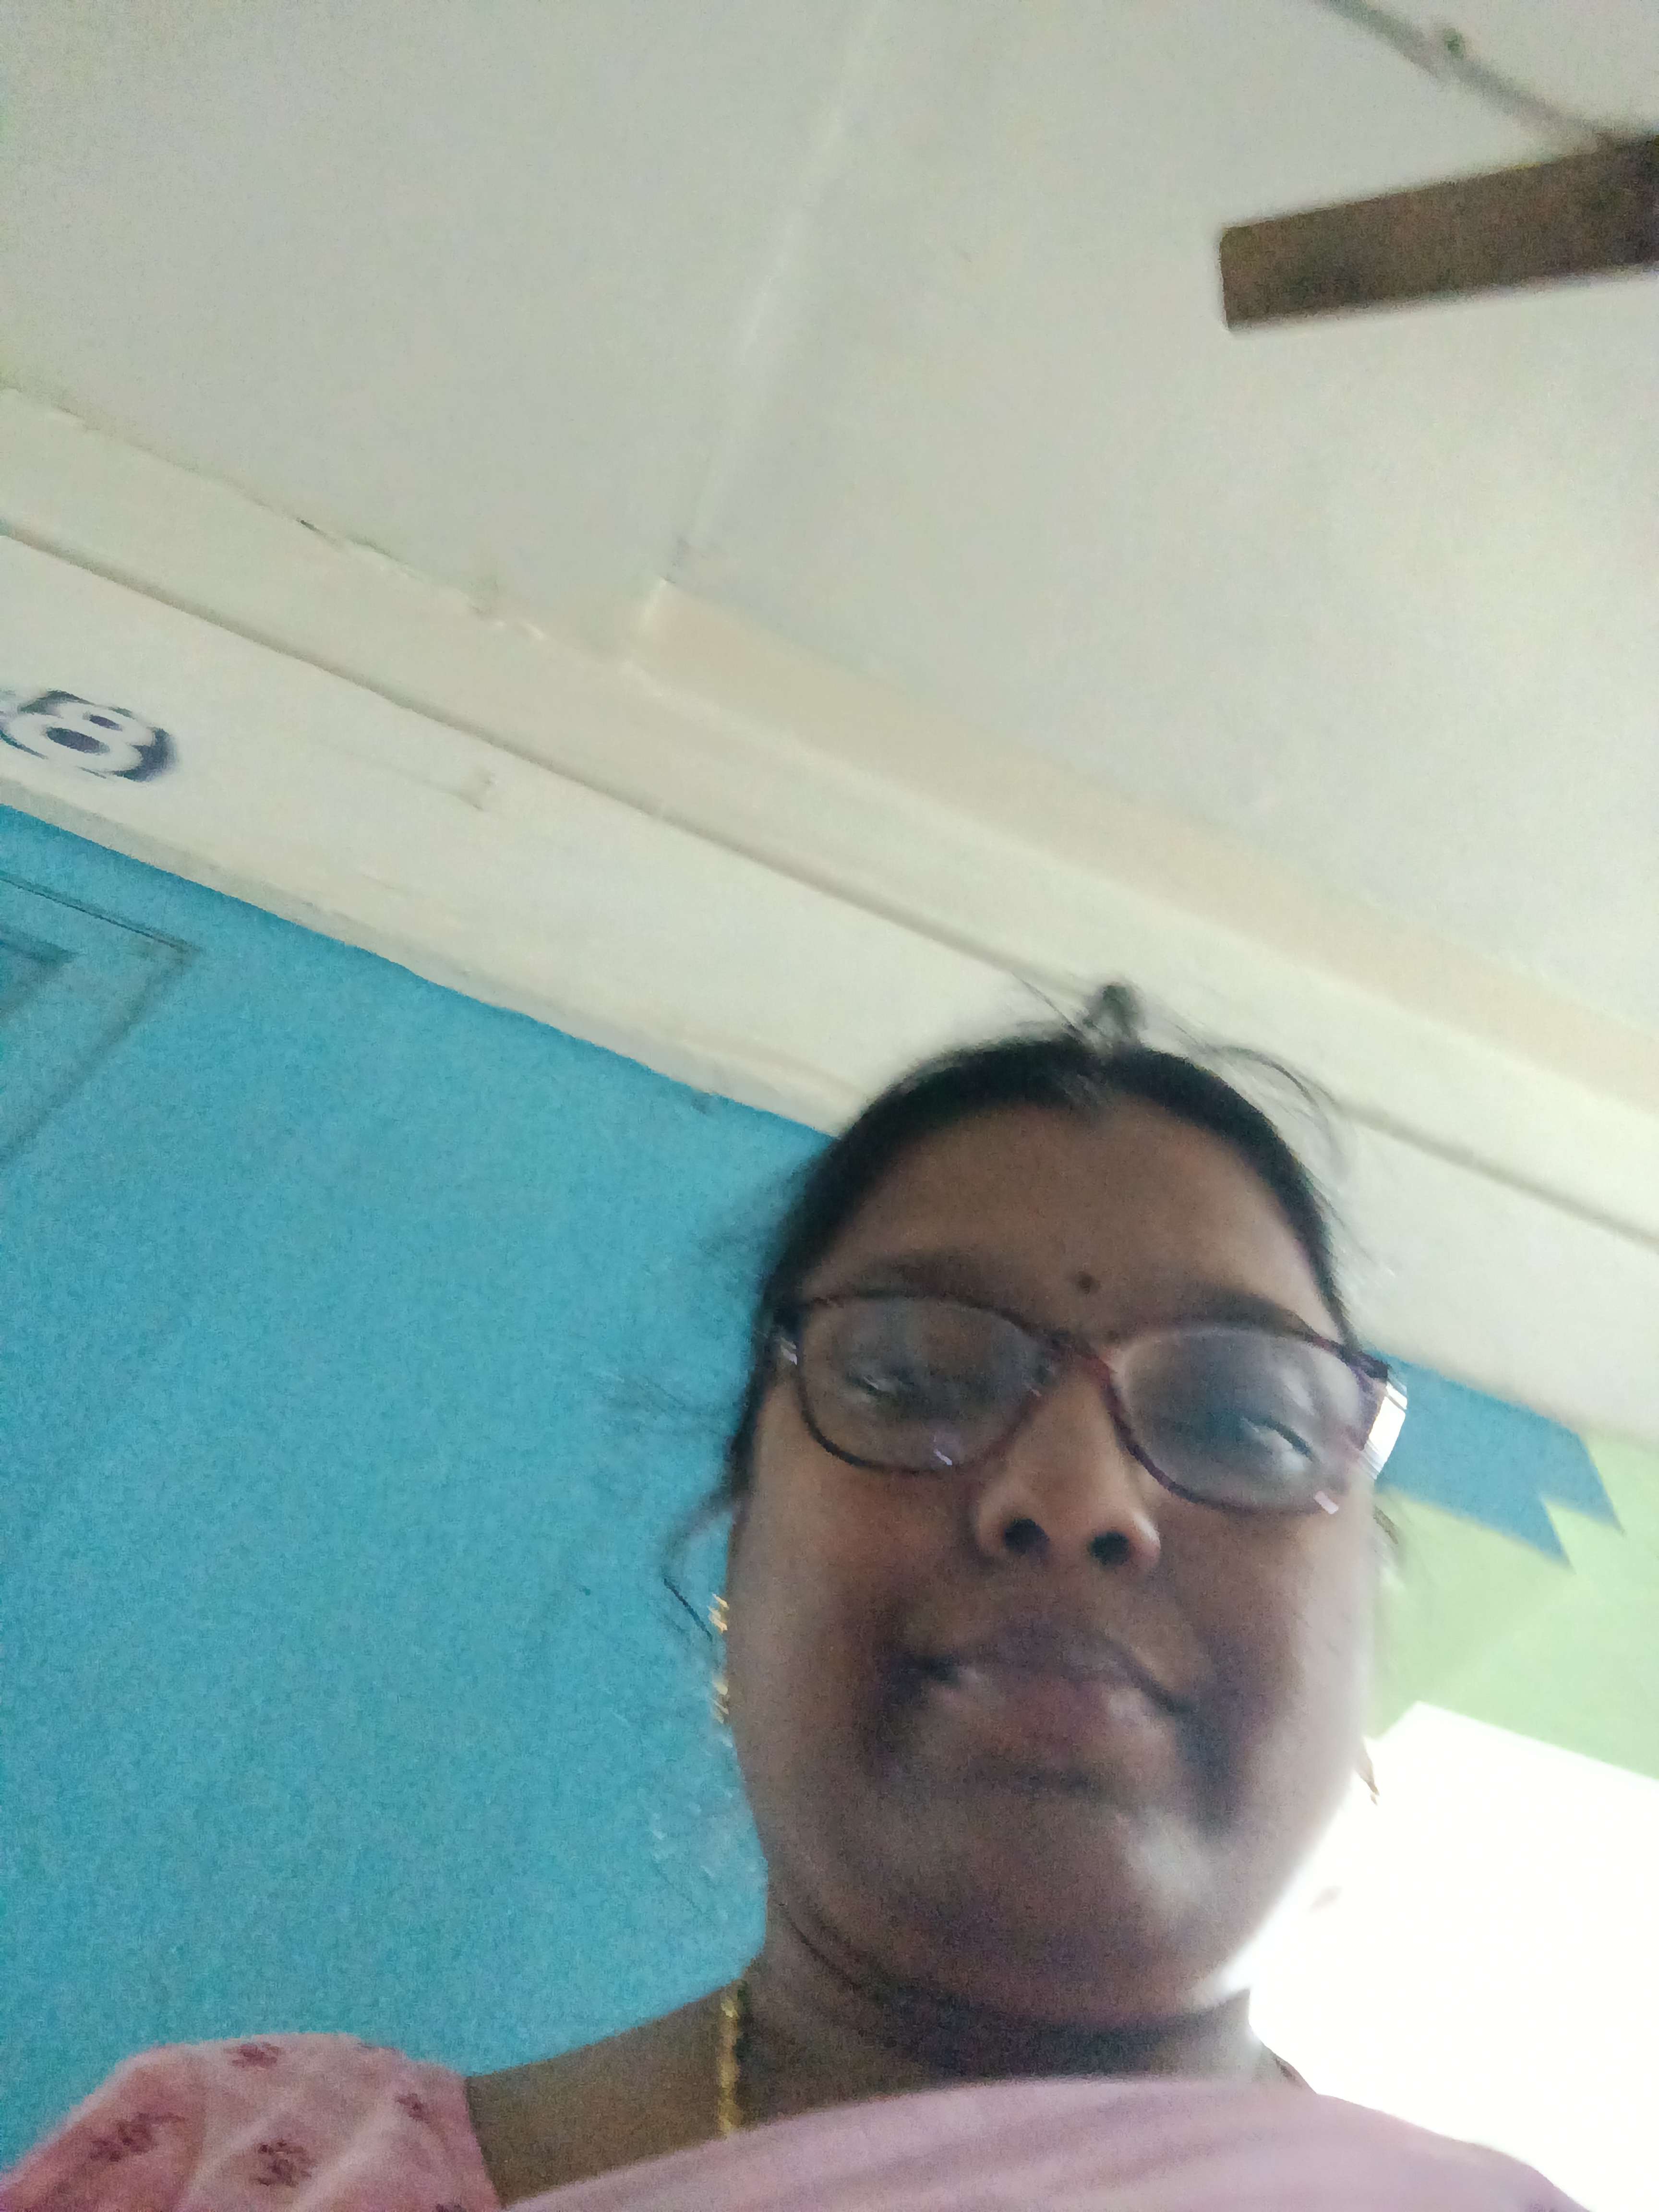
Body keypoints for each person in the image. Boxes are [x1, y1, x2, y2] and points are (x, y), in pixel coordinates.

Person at [2, 992, 1580, 2209]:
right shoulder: (218, 2171)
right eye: (911, 1377)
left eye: (1243, 1420)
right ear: (736, 1573)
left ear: (1362, 1667)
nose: (1078, 1496)